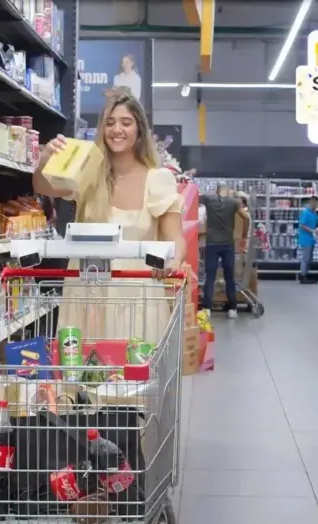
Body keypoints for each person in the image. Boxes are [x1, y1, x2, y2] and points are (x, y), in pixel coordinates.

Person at [32, 93, 185, 344]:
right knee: (81, 377)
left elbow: (174, 236)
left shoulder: (157, 179)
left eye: (126, 122)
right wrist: (45, 160)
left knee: (130, 378)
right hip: (86, 293)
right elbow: (43, 186)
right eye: (110, 122)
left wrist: (174, 261)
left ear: (139, 130)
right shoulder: (88, 172)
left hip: (136, 297)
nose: (117, 129)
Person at [200, 183, 249, 319]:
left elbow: (194, 197)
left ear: (216, 190)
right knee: (229, 277)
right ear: (228, 190)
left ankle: (206, 309)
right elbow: (246, 217)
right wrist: (244, 237)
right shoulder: (234, 202)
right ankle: (232, 309)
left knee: (210, 277)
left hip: (211, 243)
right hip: (228, 243)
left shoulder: (208, 199)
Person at [297, 196, 318, 284]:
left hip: (311, 239)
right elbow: (302, 225)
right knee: (305, 258)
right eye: (317, 204)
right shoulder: (305, 212)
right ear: (312, 202)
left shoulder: (314, 212)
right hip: (305, 239)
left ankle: (306, 274)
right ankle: (302, 276)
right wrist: (312, 230)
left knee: (309, 258)